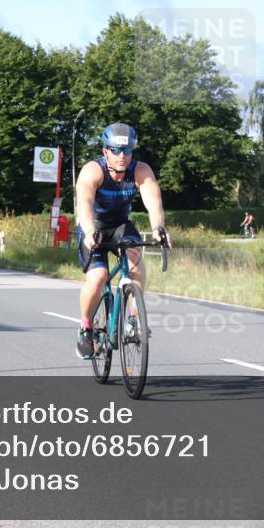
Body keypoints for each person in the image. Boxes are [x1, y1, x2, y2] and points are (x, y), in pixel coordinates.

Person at [74, 123, 171, 359]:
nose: (121, 156)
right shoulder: (92, 171)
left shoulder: (141, 170)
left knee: (135, 256)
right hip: (93, 226)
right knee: (98, 278)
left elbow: (153, 202)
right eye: (115, 150)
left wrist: (158, 228)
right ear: (105, 150)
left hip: (119, 225)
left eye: (127, 151)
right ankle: (86, 327)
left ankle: (134, 319)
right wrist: (89, 231)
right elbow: (84, 205)